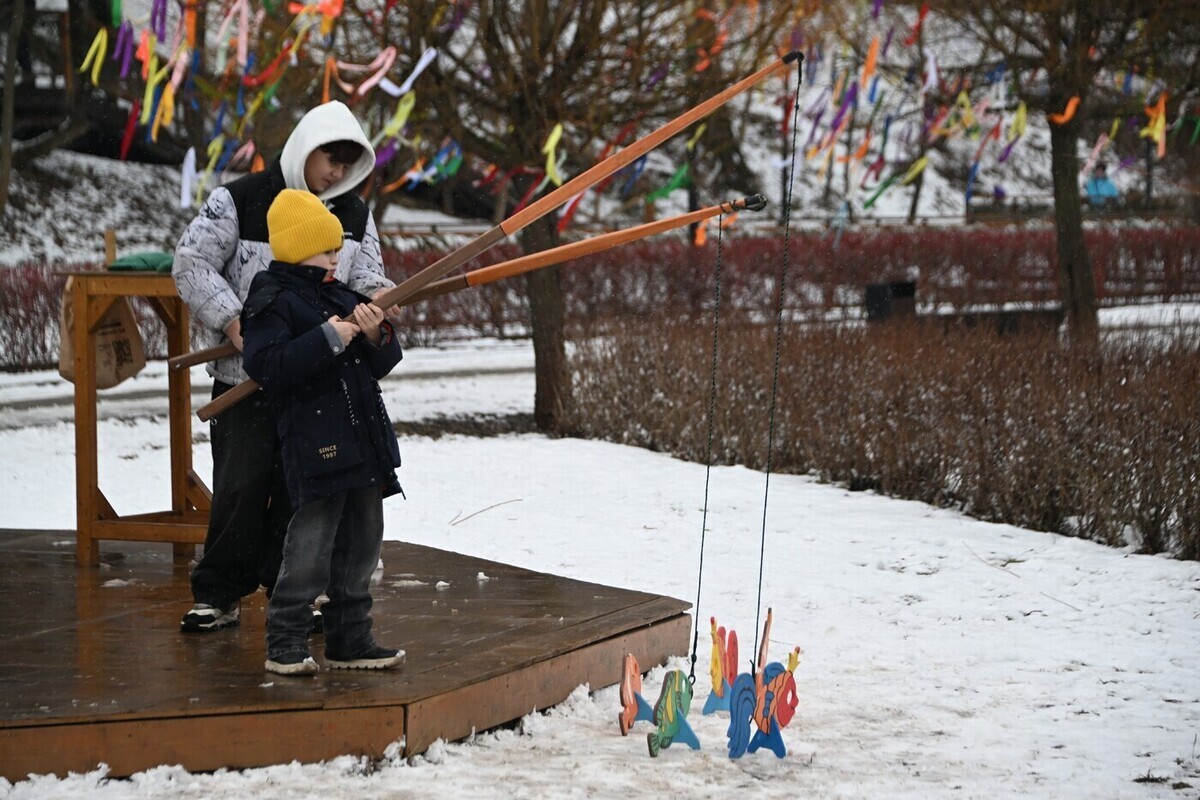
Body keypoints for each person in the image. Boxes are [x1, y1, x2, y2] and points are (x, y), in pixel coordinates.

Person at [173, 101, 395, 633]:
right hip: (244, 378)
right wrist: (231, 321)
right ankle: (219, 593)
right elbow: (191, 261)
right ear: (303, 145)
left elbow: (367, 280)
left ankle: (289, 593)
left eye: (346, 163)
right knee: (240, 483)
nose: (335, 173)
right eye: (328, 158)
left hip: (319, 381)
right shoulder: (240, 198)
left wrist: (380, 303)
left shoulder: (354, 214)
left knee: (304, 489)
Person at [242, 189, 405, 675]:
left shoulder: (338, 293)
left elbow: (379, 364)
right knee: (310, 546)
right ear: (296, 247)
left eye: (338, 246)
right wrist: (330, 337)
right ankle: (286, 640)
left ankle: (350, 639)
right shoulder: (272, 298)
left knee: (363, 542)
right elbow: (266, 364)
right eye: (328, 247)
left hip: (364, 440)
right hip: (317, 443)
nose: (338, 255)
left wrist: (377, 334)